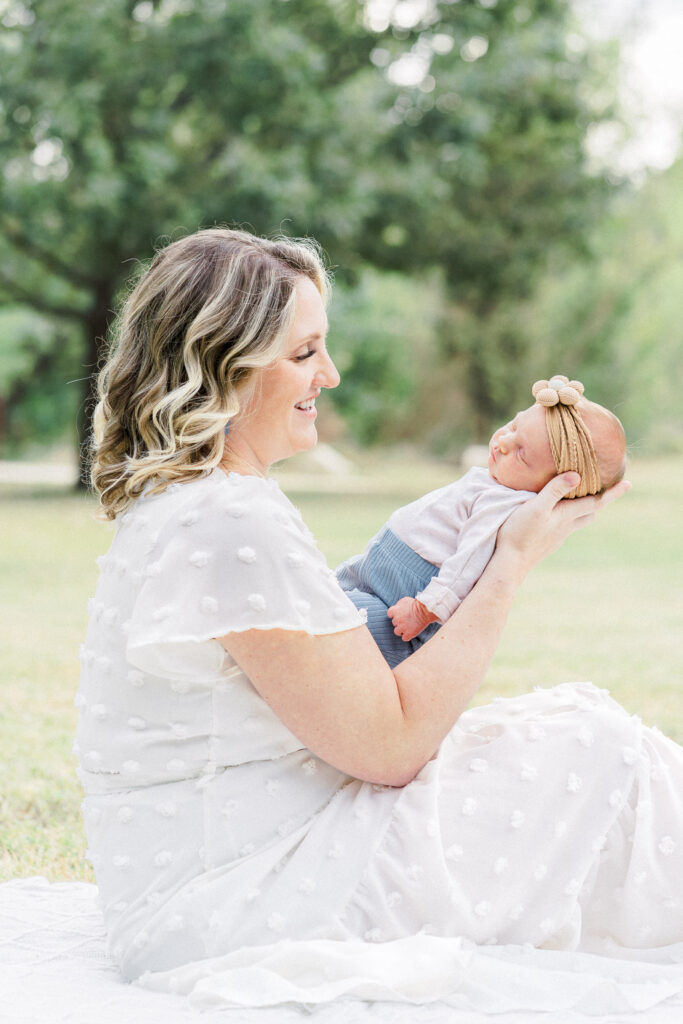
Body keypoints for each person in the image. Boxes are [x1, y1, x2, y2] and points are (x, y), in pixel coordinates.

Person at [78, 227, 683, 1015]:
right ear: (226, 361)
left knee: (576, 736)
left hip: (218, 876)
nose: (327, 375)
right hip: (250, 898)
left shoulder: (191, 503)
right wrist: (507, 563)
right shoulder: (228, 519)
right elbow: (392, 748)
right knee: (594, 745)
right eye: (304, 354)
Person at [336, 379, 627, 668]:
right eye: (513, 427)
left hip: (405, 590)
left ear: (555, 486)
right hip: (379, 567)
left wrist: (424, 610)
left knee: (344, 623)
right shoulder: (496, 485)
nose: (502, 442)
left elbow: (467, 562)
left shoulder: (503, 505)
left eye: (522, 453)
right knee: (320, 599)